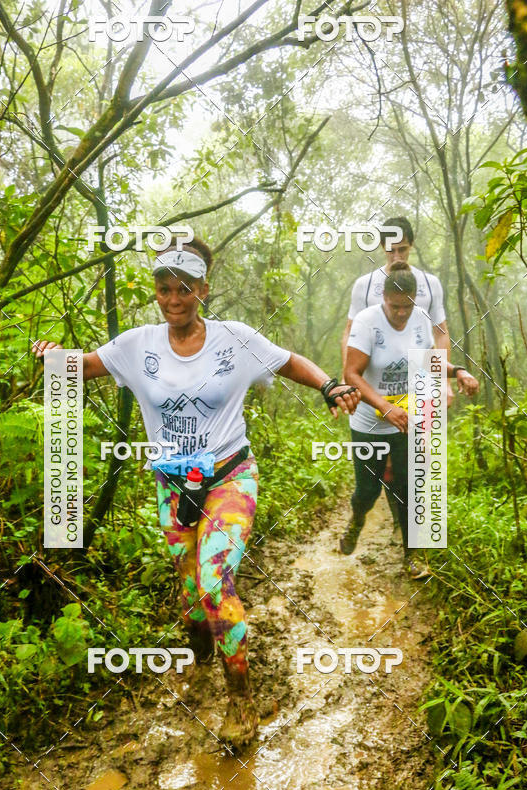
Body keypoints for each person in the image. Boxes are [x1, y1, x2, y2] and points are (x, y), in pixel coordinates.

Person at [33, 236, 360, 748]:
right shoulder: (136, 346)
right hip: (172, 484)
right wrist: (55, 358)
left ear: (203, 290)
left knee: (213, 581)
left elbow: (289, 361)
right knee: (191, 593)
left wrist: (328, 386)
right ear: (156, 292)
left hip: (230, 475)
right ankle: (201, 645)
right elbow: (84, 365)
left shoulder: (235, 339)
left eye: (184, 289)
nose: (173, 299)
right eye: (164, 289)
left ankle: (240, 698)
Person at [343, 261, 479, 577]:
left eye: (407, 305)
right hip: (369, 422)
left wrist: (458, 371)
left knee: (409, 488)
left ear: (415, 299)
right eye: (395, 306)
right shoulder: (367, 322)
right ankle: (358, 518)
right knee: (368, 491)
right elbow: (351, 374)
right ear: (384, 298)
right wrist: (384, 407)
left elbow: (428, 361)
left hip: (407, 418)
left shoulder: (419, 319)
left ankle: (413, 556)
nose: (402, 313)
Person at [340, 216, 467, 531]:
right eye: (391, 250)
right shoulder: (366, 286)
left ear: (411, 246)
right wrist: (347, 380)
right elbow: (349, 334)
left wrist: (442, 381)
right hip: (374, 388)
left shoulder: (429, 285)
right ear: (382, 248)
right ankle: (379, 512)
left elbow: (440, 333)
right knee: (377, 470)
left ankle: (410, 535)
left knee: (413, 467)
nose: (397, 256)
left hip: (415, 384)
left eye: (403, 249)